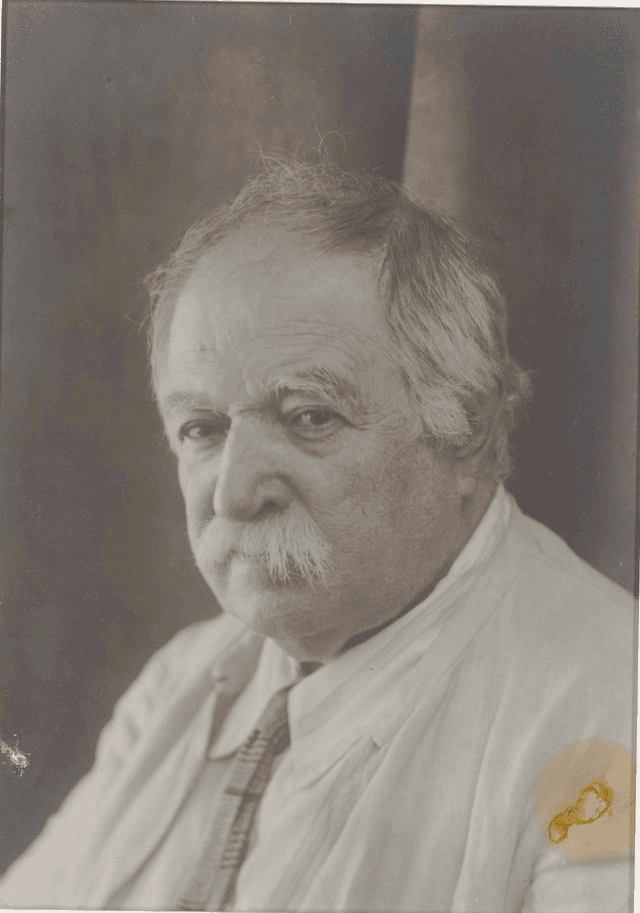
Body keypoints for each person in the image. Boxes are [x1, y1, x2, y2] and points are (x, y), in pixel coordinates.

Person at [0, 161, 634, 912]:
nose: (233, 494)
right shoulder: (181, 681)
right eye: (201, 429)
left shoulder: (609, 710)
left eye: (309, 416)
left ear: (462, 428)